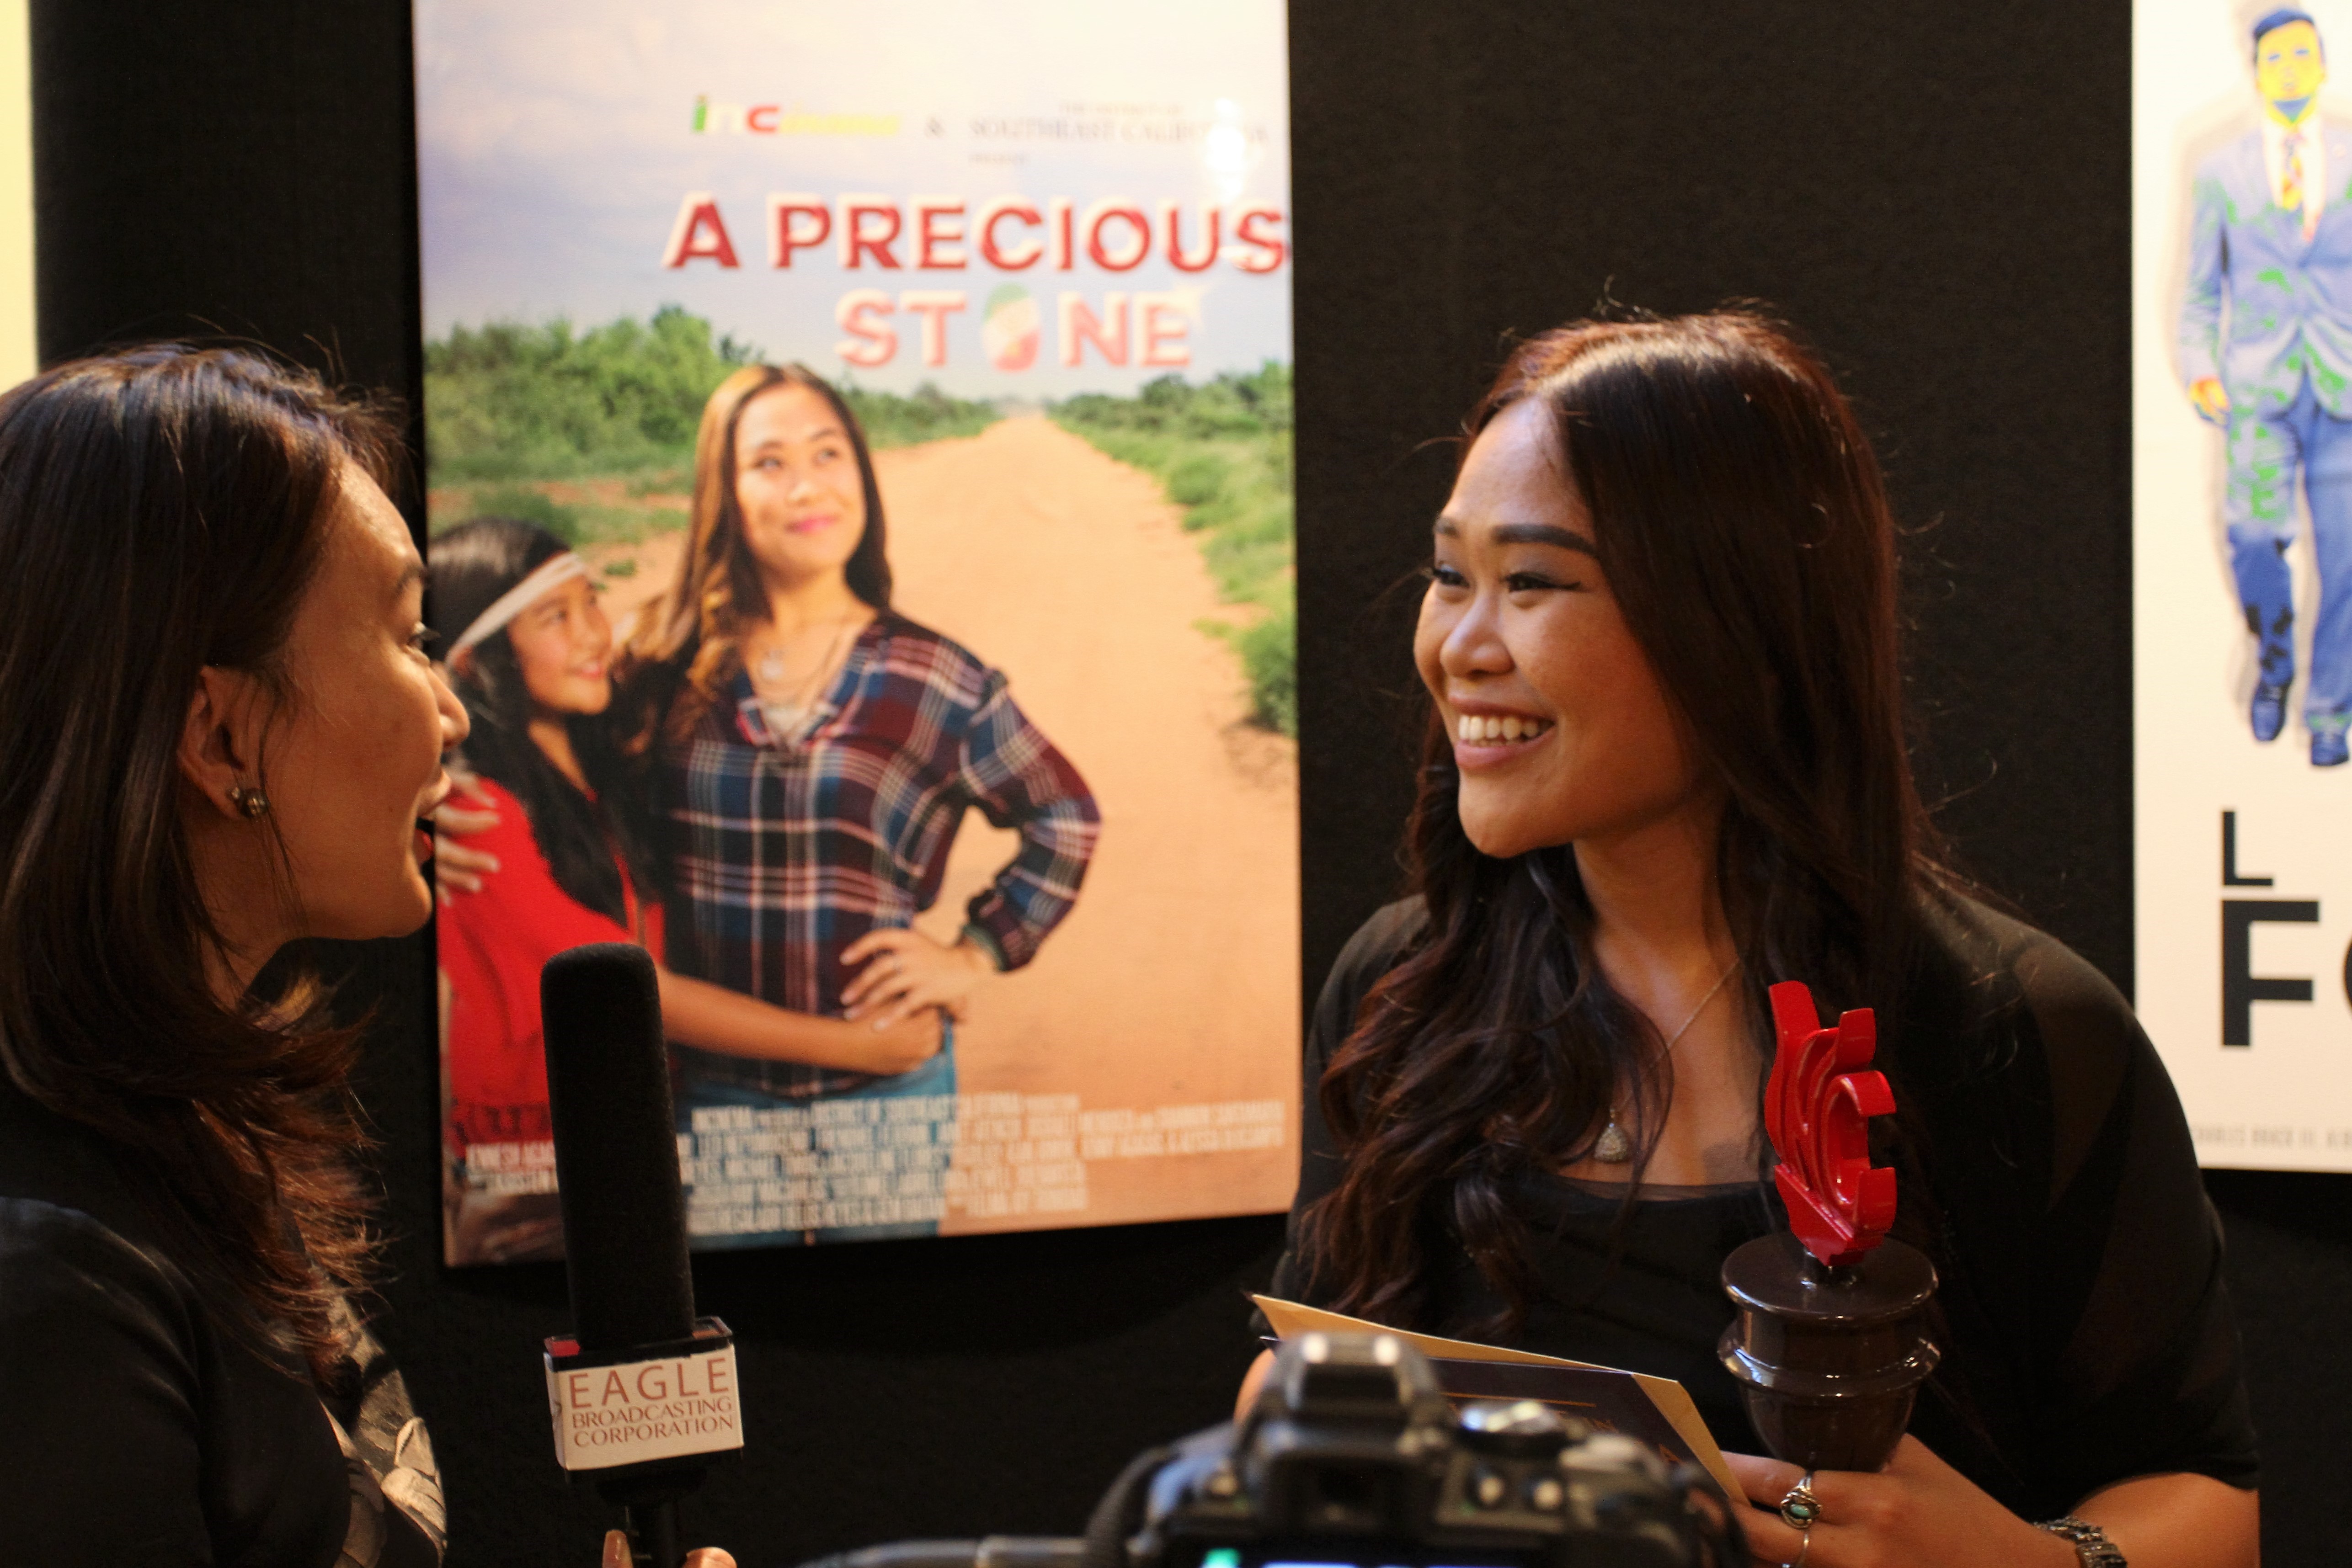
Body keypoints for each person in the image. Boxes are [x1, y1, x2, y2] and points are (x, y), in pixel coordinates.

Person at [1245, 315, 2260, 1568]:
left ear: (1742, 630)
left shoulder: (2014, 1028)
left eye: (1537, 583)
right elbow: (1293, 1384)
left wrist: (2021, 1561)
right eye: (1450, 575)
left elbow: (2210, 1501)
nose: (1460, 647)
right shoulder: (1404, 990)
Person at [0, 345, 731, 1567]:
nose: (446, 710)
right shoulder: (49, 1292)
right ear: (222, 735)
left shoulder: (180, 1140)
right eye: (404, 634)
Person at [608, 363, 1101, 1245]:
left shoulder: (936, 676)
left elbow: (1064, 816)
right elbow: (563, 799)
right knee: (727, 1350)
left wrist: (975, 952)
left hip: (889, 1088)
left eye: (828, 454)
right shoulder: (662, 664)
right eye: (768, 462)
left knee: (879, 1344)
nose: (807, 485)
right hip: (710, 1089)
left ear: (861, 477)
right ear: (723, 490)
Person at [431, 516, 949, 1265]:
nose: (593, 635)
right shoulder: (474, 817)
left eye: (590, 602)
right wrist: (864, 1048)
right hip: (543, 1183)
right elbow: (644, 992)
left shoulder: (601, 761)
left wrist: (961, 960)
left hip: (658, 1144)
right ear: (478, 662)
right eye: (556, 617)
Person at [2179, 6, 2352, 766]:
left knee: (2346, 558)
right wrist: (2201, 369)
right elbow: (2198, 291)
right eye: (2274, 58)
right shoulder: (2221, 171)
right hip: (2257, 393)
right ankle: (2275, 663)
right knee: (2252, 539)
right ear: (2256, 71)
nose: (2289, 69)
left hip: (2343, 391)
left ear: (2320, 66)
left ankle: (2329, 713)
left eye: (2301, 56)